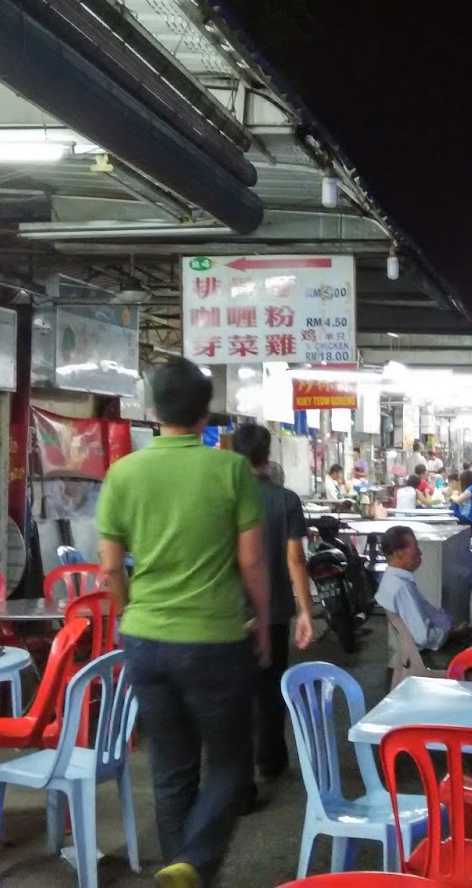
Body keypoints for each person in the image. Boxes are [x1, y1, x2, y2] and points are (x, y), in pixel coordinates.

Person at [96, 357, 272, 888]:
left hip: (145, 639)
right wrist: (262, 623)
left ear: (153, 410)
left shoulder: (124, 471)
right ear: (206, 415)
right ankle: (193, 865)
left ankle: (182, 872)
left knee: (171, 770)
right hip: (215, 640)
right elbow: (252, 561)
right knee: (230, 763)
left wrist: (130, 612)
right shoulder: (230, 469)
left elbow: (108, 565)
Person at [231, 425, 315, 810]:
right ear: (269, 454)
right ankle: (271, 758)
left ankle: (240, 774)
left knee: (236, 696)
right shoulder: (285, 500)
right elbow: (295, 558)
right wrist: (305, 610)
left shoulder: (226, 497)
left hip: (231, 612)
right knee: (270, 687)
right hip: (276, 609)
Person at [374, 525, 472, 660]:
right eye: (415, 547)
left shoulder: (392, 580)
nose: (420, 552)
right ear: (398, 553)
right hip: (431, 654)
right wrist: (453, 634)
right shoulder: (401, 588)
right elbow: (423, 637)